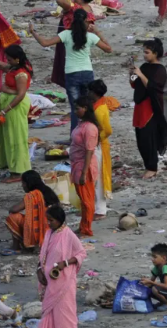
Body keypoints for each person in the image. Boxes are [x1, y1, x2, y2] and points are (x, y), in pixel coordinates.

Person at [29, 9, 112, 130]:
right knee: (88, 106)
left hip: (72, 73)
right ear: (85, 21)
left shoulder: (66, 34)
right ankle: (91, 134)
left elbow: (45, 43)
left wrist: (33, 32)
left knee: (75, 108)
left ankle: (75, 137)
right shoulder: (90, 36)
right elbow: (108, 49)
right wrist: (97, 32)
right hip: (87, 73)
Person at [0, 45, 33, 180]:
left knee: (15, 137)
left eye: (9, 59)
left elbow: (21, 94)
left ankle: (18, 172)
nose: (7, 61)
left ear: (17, 59)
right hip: (9, 106)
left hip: (14, 107)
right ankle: (9, 166)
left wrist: (5, 109)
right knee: (6, 136)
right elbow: (1, 65)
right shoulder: (14, 68)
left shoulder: (21, 73)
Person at [37, 205, 86, 328]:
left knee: (65, 312)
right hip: (49, 281)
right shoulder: (48, 233)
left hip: (64, 281)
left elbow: (81, 253)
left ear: (59, 220)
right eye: (47, 219)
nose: (48, 223)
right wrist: (39, 271)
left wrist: (65, 263)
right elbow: (43, 255)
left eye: (51, 220)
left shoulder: (68, 234)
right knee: (49, 312)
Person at [132, 38, 167, 179]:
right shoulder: (144, 66)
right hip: (140, 105)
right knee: (140, 137)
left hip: (150, 107)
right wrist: (132, 74)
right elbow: (135, 84)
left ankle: (152, 167)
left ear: (155, 53)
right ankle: (148, 165)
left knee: (148, 138)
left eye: (147, 52)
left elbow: (155, 87)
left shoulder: (160, 69)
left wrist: (141, 75)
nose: (144, 55)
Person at [49, 0, 99, 87]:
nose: (73, 0)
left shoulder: (74, 9)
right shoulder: (89, 10)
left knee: (65, 62)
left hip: (68, 40)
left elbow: (59, 0)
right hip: (82, 42)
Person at [70, 95, 102, 236]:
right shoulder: (82, 124)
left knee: (86, 199)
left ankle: (86, 228)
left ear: (85, 108)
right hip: (78, 164)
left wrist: (83, 173)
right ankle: (84, 226)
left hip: (84, 167)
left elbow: (89, 151)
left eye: (78, 108)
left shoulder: (89, 128)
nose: (75, 111)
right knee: (83, 199)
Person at [6, 170, 60, 251]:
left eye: (23, 183)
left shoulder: (32, 195)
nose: (22, 186)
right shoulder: (47, 190)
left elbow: (14, 209)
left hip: (42, 228)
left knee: (12, 217)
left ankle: (16, 246)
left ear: (29, 183)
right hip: (54, 228)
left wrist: (10, 209)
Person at [143, 243, 167, 307]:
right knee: (147, 288)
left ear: (164, 258)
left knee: (154, 289)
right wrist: (144, 282)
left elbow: (166, 286)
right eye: (152, 257)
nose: (152, 259)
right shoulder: (157, 267)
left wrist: (150, 282)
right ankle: (163, 302)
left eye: (155, 257)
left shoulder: (166, 268)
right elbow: (150, 282)